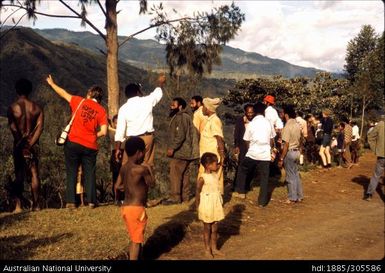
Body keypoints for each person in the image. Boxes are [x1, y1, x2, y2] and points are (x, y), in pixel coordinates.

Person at [46, 75, 108, 208]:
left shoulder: (79, 101)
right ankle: (92, 201)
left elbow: (63, 93)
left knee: (72, 170)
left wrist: (52, 84)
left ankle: (70, 202)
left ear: (90, 94)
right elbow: (104, 132)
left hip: (73, 142)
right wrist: (92, 136)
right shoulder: (102, 111)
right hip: (90, 145)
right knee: (89, 173)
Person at [114, 75, 166, 171]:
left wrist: (117, 149)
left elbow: (120, 131)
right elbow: (157, 93)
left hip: (132, 141)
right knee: (146, 167)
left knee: (128, 168)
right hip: (147, 139)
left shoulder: (123, 108)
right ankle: (144, 185)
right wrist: (160, 83)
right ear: (138, 92)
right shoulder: (146, 101)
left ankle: (127, 185)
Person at [115, 137, 155, 260]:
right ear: (139, 152)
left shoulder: (124, 167)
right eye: (143, 152)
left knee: (135, 238)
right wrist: (149, 168)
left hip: (126, 208)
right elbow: (152, 183)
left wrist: (128, 187)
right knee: (136, 241)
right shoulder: (141, 169)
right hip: (136, 209)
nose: (143, 155)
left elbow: (117, 186)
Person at [7, 78, 44, 212]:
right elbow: (40, 128)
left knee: (19, 174)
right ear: (30, 90)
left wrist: (21, 143)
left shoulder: (12, 108)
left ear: (17, 90)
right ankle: (36, 205)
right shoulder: (37, 108)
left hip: (19, 144)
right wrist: (30, 145)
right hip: (33, 145)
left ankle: (18, 206)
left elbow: (13, 128)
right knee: (34, 173)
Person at [232, 102, 276, 207]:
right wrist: (270, 150)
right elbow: (272, 139)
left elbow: (246, 139)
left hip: (253, 152)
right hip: (265, 154)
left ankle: (241, 192)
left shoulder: (251, 124)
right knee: (264, 178)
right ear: (264, 111)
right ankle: (262, 202)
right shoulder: (268, 123)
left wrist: (249, 149)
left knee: (243, 169)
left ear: (255, 112)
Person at [163, 97, 199, 205]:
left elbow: (180, 135)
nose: (171, 107)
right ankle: (185, 197)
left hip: (181, 152)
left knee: (175, 174)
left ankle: (175, 197)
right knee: (185, 174)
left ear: (180, 107)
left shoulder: (181, 117)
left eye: (173, 105)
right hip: (187, 152)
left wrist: (172, 148)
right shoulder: (185, 116)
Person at [195, 152, 225, 258]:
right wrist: (197, 205)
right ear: (208, 165)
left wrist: (222, 158)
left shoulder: (215, 174)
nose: (217, 165)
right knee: (207, 228)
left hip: (215, 203)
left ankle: (214, 248)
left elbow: (221, 164)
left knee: (215, 228)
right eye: (214, 163)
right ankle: (207, 250)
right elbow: (197, 192)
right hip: (206, 204)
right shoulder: (202, 178)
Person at [198, 98, 225, 195]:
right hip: (206, 156)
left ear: (208, 109)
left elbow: (219, 138)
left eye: (204, 107)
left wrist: (222, 156)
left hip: (211, 157)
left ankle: (215, 198)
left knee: (214, 177)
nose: (202, 109)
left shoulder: (214, 121)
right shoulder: (209, 120)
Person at [278, 105, 303, 204]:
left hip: (290, 152)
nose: (281, 115)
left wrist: (281, 158)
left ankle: (292, 197)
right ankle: (299, 195)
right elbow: (301, 139)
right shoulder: (297, 124)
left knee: (290, 176)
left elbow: (286, 144)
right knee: (296, 174)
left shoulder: (287, 126)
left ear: (286, 114)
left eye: (282, 113)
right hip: (297, 151)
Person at [364, 116, 384, 201]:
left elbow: (370, 137)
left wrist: (375, 149)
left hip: (382, 155)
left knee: (376, 176)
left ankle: (369, 194)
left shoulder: (380, 125)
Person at [108, 114, 123, 204]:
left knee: (124, 177)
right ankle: (116, 198)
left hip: (124, 153)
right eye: (116, 123)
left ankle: (123, 198)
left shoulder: (124, 132)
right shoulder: (112, 131)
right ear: (113, 123)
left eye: (119, 123)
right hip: (115, 154)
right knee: (116, 177)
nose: (118, 125)